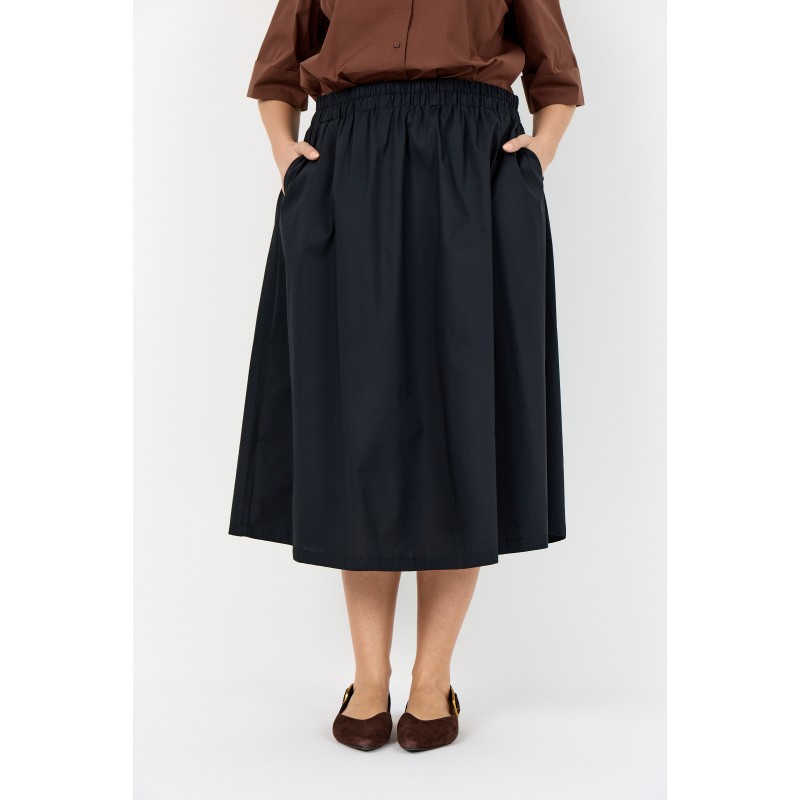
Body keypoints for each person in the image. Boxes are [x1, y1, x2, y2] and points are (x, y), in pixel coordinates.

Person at [229, 0, 585, 752]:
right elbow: (277, 73)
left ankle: (432, 679)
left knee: (466, 420)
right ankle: (368, 678)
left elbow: (557, 79)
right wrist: (285, 153)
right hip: (349, 170)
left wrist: (536, 156)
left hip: (474, 172)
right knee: (360, 428)